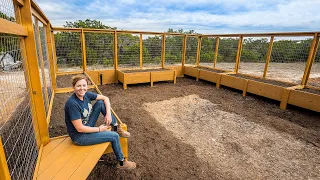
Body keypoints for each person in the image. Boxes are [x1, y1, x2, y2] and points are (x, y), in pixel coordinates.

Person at [64, 74, 136, 169]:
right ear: (73, 87)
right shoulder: (72, 104)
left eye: (84, 85)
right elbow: (80, 128)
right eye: (78, 86)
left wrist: (108, 114)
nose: (82, 88)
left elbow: (105, 98)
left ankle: (116, 128)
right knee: (114, 136)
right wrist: (99, 129)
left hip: (87, 125)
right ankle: (122, 163)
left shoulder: (86, 95)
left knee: (100, 103)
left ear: (87, 86)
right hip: (79, 136)